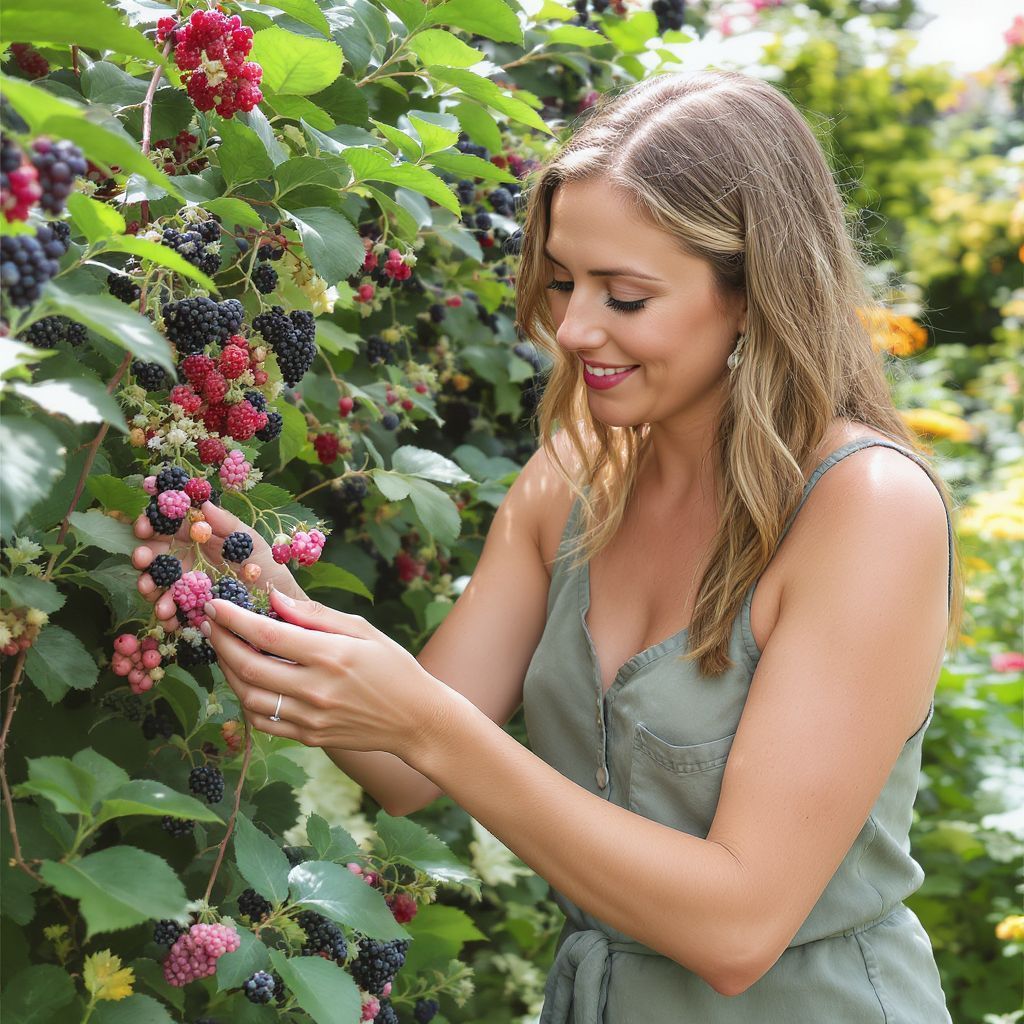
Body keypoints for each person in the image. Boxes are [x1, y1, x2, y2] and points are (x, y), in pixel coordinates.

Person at [132, 69, 963, 1022]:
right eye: (566, 282)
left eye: (627, 295)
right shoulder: (572, 484)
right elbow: (402, 768)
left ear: (751, 294)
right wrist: (253, 599)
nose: (571, 328)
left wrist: (424, 725)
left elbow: (738, 926)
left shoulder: (864, 507)